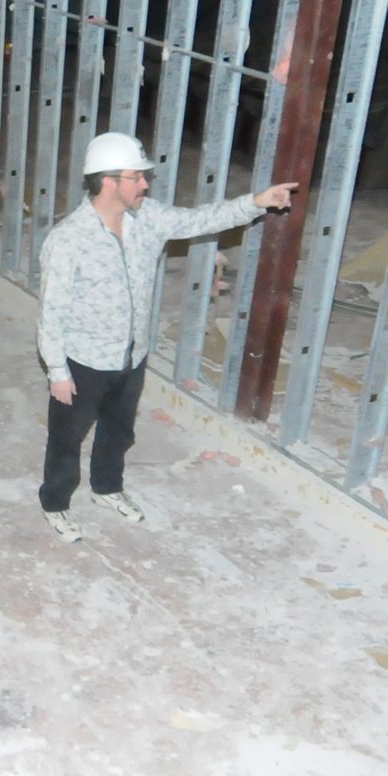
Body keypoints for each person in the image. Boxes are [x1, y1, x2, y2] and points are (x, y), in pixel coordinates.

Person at [34, 132, 296, 541]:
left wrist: (256, 203)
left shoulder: (149, 218)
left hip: (132, 356)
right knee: (66, 439)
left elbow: (199, 220)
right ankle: (56, 503)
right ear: (109, 182)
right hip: (83, 362)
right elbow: (51, 310)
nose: (145, 185)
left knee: (119, 432)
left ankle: (107, 487)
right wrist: (56, 370)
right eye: (136, 177)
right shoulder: (68, 241)